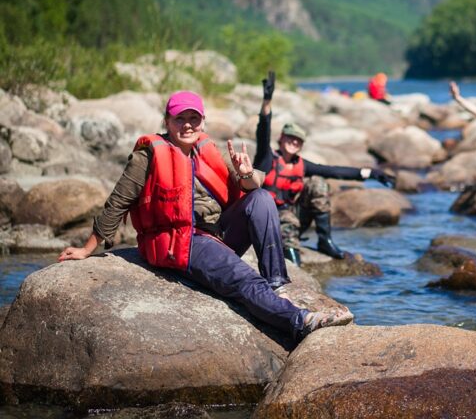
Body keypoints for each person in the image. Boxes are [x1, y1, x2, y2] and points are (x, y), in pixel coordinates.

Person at [57, 90, 343, 341]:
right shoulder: (147, 157)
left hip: (215, 234)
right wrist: (86, 249)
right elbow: (117, 203)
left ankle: (277, 284)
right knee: (245, 280)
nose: (187, 125)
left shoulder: (205, 149)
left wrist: (246, 173)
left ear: (202, 122)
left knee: (262, 198)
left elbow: (248, 186)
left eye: (193, 119)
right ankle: (299, 321)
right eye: (179, 119)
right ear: (167, 122)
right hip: (180, 241)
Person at [255, 73, 395, 266]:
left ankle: (325, 241)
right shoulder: (266, 158)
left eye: (297, 140)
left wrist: (371, 173)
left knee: (318, 183)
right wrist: (267, 102)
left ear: (301, 145)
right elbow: (263, 131)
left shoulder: (302, 164)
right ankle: (293, 265)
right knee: (287, 221)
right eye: (289, 138)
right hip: (267, 218)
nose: (293, 142)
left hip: (294, 218)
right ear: (281, 139)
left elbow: (334, 171)